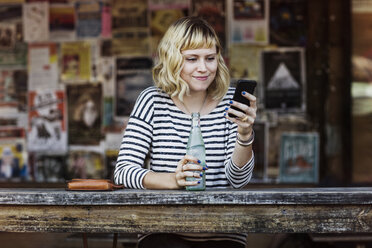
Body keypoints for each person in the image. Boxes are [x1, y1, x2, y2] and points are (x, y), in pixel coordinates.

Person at [114, 16, 257, 248]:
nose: (203, 68)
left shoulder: (231, 102)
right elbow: (123, 172)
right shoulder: (152, 101)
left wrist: (244, 134)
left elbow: (238, 180)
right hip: (163, 233)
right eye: (192, 59)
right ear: (172, 60)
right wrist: (173, 179)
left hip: (223, 234)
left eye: (210, 58)